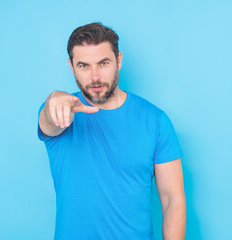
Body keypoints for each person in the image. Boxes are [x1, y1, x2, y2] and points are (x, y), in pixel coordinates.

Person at [37, 22, 186, 240]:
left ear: (119, 60)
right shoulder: (61, 112)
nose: (95, 77)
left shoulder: (156, 120)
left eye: (103, 63)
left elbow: (172, 199)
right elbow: (49, 120)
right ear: (71, 67)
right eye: (84, 66)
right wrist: (53, 101)